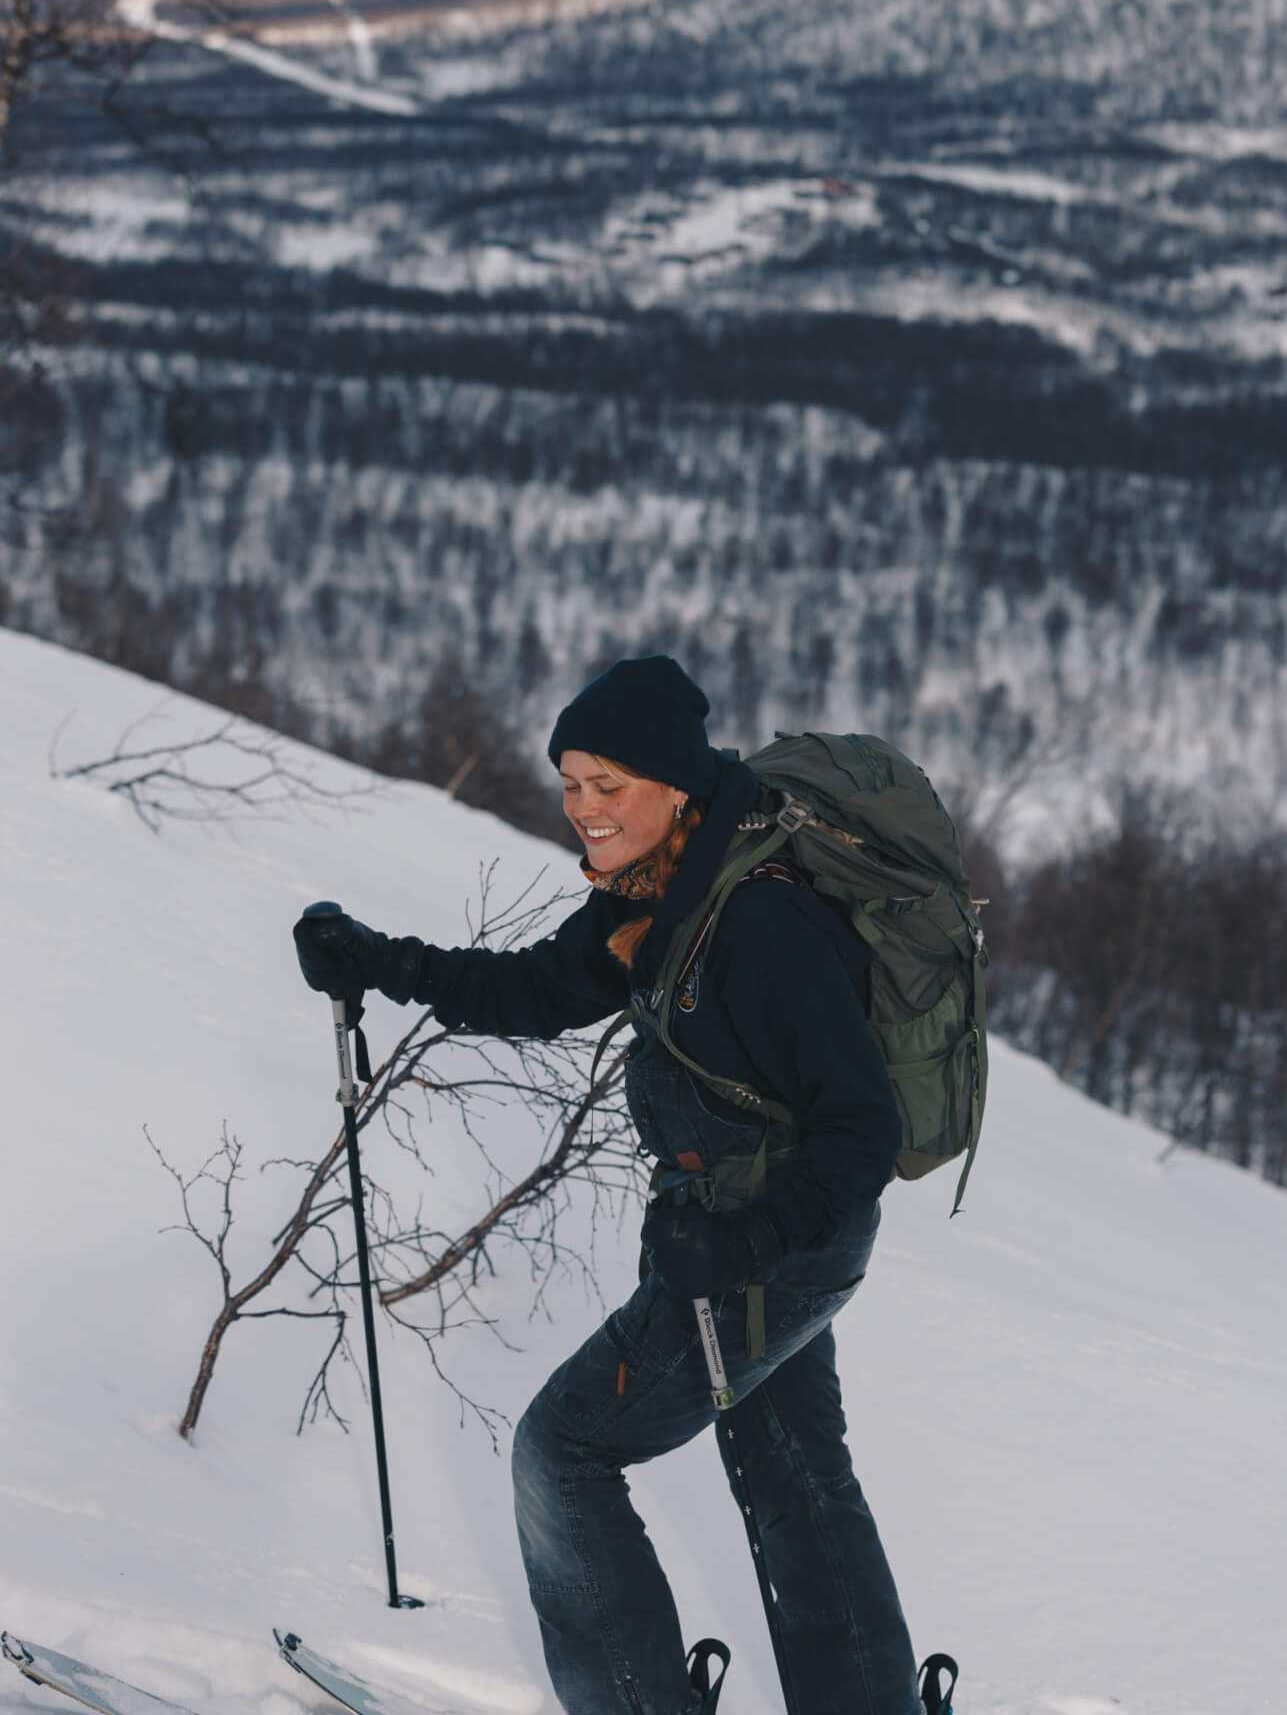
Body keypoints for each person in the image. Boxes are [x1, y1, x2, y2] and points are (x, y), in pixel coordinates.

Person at [294, 656, 922, 1715]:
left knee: (564, 1451)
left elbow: (864, 1129)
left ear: (674, 785)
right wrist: (381, 962)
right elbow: (542, 988)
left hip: (761, 1251)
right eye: (571, 782)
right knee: (794, 1478)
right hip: (752, 1243)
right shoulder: (665, 885)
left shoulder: (759, 921)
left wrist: (748, 1242)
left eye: (608, 784)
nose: (583, 809)